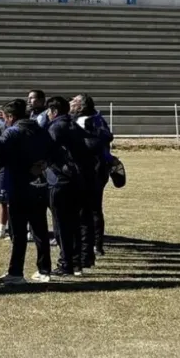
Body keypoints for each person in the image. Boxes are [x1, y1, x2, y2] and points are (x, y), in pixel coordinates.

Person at [0, 99, 55, 284]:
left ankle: (16, 272)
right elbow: (53, 150)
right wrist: (42, 164)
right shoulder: (40, 129)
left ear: (11, 116)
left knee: (18, 232)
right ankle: (44, 270)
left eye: (4, 117)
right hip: (39, 185)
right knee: (40, 229)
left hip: (19, 185)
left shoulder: (13, 132)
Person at [45, 96, 96, 276]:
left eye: (49, 111)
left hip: (60, 180)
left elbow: (47, 151)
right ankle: (76, 262)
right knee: (74, 223)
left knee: (61, 224)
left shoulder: (56, 127)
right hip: (78, 179)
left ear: (54, 112)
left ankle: (65, 263)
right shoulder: (75, 126)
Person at [71, 93, 115, 263]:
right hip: (90, 167)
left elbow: (107, 136)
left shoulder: (91, 120)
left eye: (74, 102)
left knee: (92, 207)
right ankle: (90, 243)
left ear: (81, 106)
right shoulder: (86, 118)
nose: (71, 103)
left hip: (95, 168)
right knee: (87, 208)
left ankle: (96, 244)